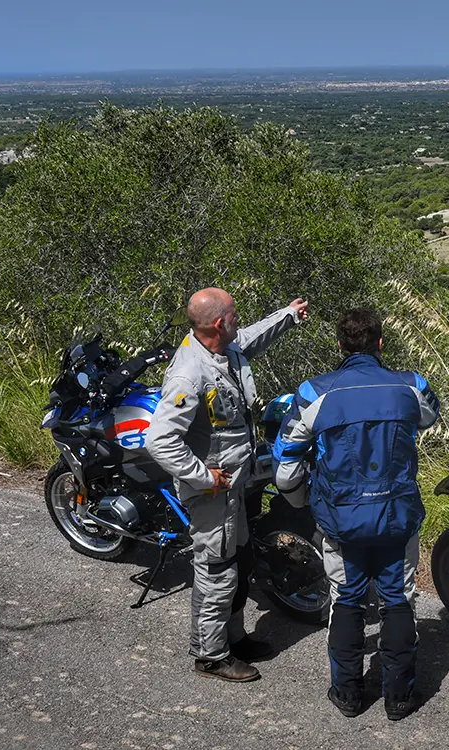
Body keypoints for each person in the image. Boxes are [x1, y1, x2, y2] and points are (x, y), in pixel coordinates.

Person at [273, 307, 439, 721]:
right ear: (381, 343)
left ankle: (347, 695)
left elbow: (287, 463)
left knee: (346, 600)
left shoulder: (315, 392)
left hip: (342, 519)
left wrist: (297, 501)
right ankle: (399, 699)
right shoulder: (412, 386)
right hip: (396, 516)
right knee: (398, 600)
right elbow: (430, 418)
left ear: (339, 345)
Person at [146, 288, 309, 682]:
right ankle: (210, 655)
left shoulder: (224, 349)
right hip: (212, 493)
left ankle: (233, 638)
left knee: (240, 563)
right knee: (216, 568)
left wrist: (287, 314)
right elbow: (159, 440)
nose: (239, 319)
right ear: (219, 323)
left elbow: (251, 337)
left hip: (235, 484)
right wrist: (203, 476)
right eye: (235, 314)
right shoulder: (190, 373)